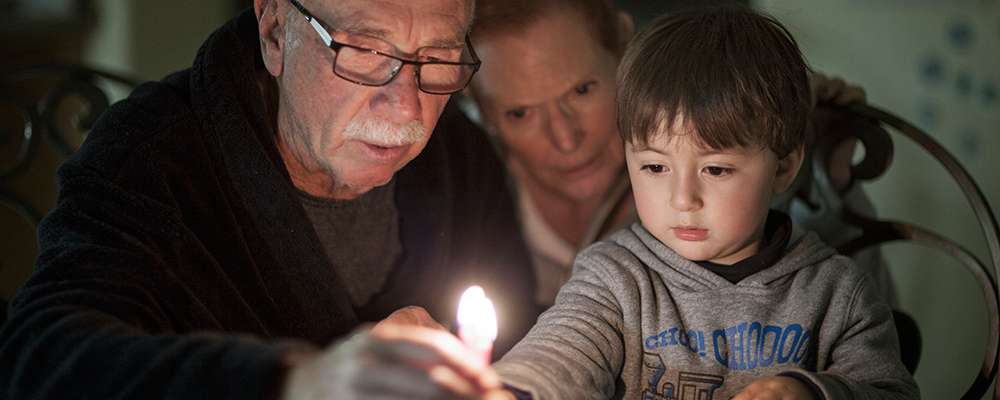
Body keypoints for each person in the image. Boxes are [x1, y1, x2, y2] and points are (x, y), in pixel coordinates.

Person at [0, 0, 536, 398]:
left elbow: (521, 334)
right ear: (276, 31)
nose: (407, 110)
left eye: (437, 57)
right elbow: (42, 358)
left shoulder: (459, 157)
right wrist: (297, 383)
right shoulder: (154, 158)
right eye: (367, 51)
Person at [490, 6, 918, 399]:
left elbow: (891, 391)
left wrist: (815, 392)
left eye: (715, 170)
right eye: (655, 168)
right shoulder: (613, 279)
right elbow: (557, 356)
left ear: (784, 168)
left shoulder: (838, 292)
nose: (682, 199)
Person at [464, 0, 898, 310]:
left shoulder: (738, 168)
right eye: (520, 112)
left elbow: (861, 334)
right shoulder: (470, 198)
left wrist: (830, 178)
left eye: (582, 90)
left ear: (622, 45)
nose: (564, 138)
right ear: (476, 105)